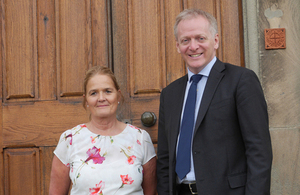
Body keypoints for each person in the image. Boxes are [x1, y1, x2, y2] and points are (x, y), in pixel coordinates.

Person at [157, 8, 272, 195]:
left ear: (215, 41)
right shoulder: (169, 94)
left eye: (200, 38)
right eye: (186, 40)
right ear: (177, 45)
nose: (193, 46)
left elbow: (259, 151)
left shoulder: (241, 80)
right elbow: (164, 157)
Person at [49, 66, 157, 195]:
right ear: (86, 100)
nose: (101, 98)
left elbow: (151, 191)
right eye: (93, 93)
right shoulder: (70, 139)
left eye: (108, 91)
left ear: (118, 96)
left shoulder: (140, 138)